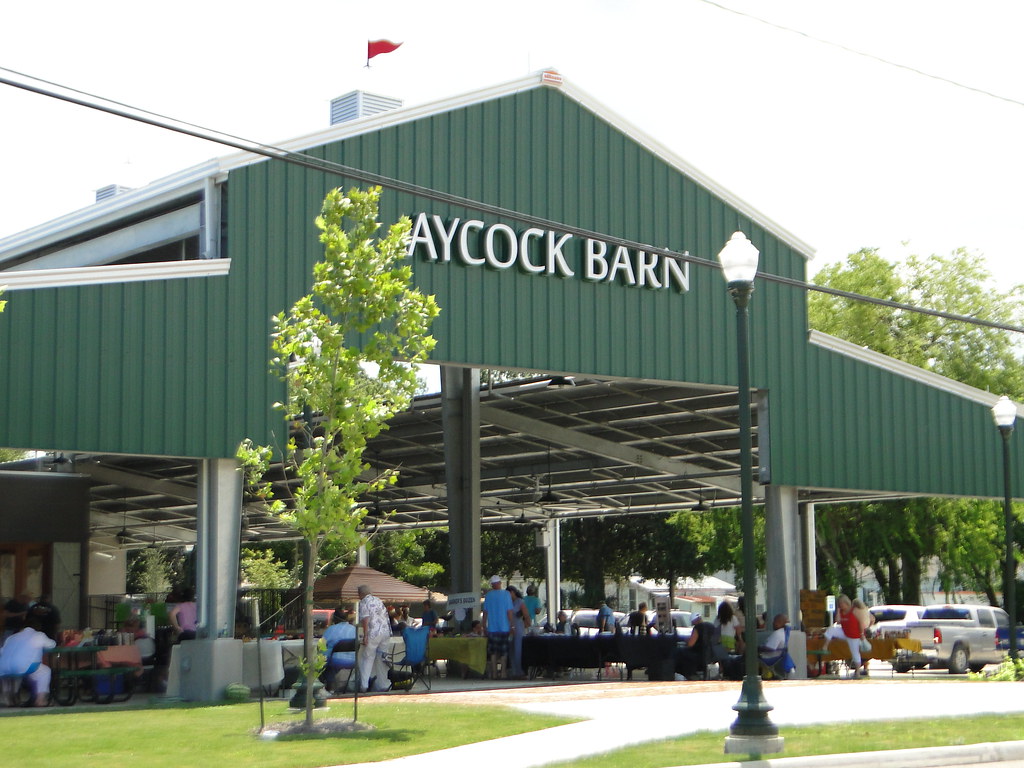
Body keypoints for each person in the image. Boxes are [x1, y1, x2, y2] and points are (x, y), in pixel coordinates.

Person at [0, 615, 56, 706]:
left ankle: (8, 700)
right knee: (45, 671)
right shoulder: (38, 635)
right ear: (38, 628)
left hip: (2, 666)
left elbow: (2, 651)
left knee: (12, 675)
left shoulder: (11, 637)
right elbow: (52, 644)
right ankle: (40, 700)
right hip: (24, 666)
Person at [357, 585, 391, 692]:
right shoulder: (378, 600)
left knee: (367, 658)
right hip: (385, 632)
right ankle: (383, 684)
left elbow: (365, 619)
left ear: (360, 594)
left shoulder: (363, 602)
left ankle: (364, 685)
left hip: (374, 633)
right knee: (382, 659)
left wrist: (365, 635)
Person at [481, 575, 514, 679]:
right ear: (500, 583)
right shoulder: (506, 594)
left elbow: (485, 613)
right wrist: (511, 625)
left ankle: (494, 673)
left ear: (492, 584)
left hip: (492, 628)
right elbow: (509, 612)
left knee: (493, 652)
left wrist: (484, 626)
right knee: (504, 652)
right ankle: (503, 673)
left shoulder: (488, 595)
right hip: (504, 627)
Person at [824, 595, 864, 678]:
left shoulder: (854, 610)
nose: (841, 606)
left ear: (846, 603)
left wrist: (862, 634)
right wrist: (838, 611)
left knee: (855, 652)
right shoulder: (841, 612)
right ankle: (825, 645)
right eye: (839, 604)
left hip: (853, 635)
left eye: (842, 604)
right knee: (831, 630)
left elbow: (861, 622)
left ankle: (857, 671)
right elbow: (838, 621)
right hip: (844, 632)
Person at [675, 612, 713, 679]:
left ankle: (689, 675)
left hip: (699, 655)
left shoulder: (698, 627)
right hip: (711, 655)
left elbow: (690, 644)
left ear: (694, 621)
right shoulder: (711, 626)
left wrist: (687, 641)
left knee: (680, 652)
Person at [759, 613, 795, 678]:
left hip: (768, 658)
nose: (773, 623)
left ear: (779, 622)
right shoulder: (786, 633)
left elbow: (770, 648)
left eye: (775, 621)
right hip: (778, 656)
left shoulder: (778, 634)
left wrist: (758, 648)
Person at [508, 585, 531, 678]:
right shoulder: (507, 602)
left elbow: (526, 615)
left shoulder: (520, 602)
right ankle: (513, 670)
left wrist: (527, 624)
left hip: (518, 626)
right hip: (509, 627)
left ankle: (519, 670)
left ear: (513, 592)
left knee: (518, 648)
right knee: (511, 649)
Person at [852, 598, 875, 675]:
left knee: (858, 650)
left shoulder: (854, 611)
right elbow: (873, 619)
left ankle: (857, 668)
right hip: (867, 631)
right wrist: (869, 626)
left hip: (859, 632)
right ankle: (866, 667)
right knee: (866, 650)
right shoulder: (866, 610)